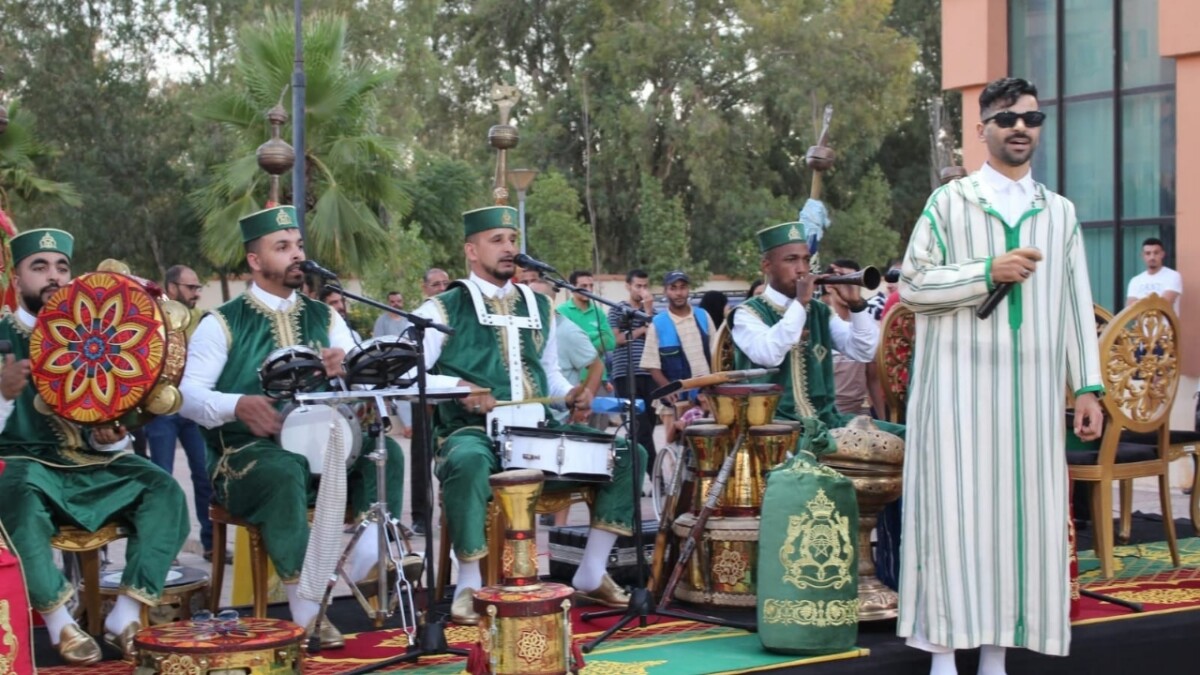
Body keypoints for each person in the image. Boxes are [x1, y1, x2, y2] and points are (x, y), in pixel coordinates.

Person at [896, 77, 1104, 674]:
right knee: (953, 521)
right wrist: (987, 270)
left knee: (1018, 525)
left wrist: (1086, 387)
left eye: (1031, 119)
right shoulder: (949, 203)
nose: (1021, 127)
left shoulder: (1058, 213)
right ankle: (941, 659)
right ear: (982, 127)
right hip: (956, 394)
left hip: (1032, 399)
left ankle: (994, 659)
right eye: (1008, 117)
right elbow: (912, 285)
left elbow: (1073, 303)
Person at [179, 206, 408, 647]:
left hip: (327, 453)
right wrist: (238, 404)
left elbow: (364, 374)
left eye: (298, 245)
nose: (296, 255)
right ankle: (308, 611)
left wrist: (349, 370)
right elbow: (186, 397)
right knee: (285, 471)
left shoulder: (326, 317)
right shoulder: (222, 322)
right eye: (282, 247)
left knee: (387, 453)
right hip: (249, 459)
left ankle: (367, 558)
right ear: (255, 261)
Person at [409, 205, 645, 625]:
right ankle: (467, 583)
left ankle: (591, 570)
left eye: (512, 240)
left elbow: (549, 374)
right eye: (497, 240)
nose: (509, 248)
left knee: (628, 454)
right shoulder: (441, 309)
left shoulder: (539, 306)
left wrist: (570, 394)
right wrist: (459, 388)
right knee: (466, 460)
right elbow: (408, 374)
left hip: (539, 430)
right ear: (470, 250)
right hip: (471, 430)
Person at [0, 229, 188, 664]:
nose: (53, 277)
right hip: (24, 464)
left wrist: (112, 437)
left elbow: (111, 410)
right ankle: (59, 622)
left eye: (62, 267)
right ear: (17, 277)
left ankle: (127, 613)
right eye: (40, 267)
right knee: (18, 493)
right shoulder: (1, 335)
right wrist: (5, 394)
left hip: (87, 464)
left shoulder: (99, 325)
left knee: (163, 489)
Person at [145, 264, 222, 562]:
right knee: (162, 479)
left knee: (205, 475)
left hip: (193, 409)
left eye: (198, 287)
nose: (197, 293)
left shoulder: (205, 319)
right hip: (161, 410)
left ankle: (211, 543)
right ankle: (165, 549)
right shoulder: (150, 315)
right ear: (173, 287)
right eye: (191, 288)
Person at [641, 270, 715, 437]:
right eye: (673, 288)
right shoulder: (658, 323)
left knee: (706, 450)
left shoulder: (703, 316)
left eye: (682, 287)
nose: (678, 293)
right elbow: (652, 365)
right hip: (675, 401)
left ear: (688, 289)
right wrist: (667, 389)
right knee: (675, 451)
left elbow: (716, 353)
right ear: (665, 291)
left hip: (706, 397)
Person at [608, 269, 658, 478]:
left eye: (645, 286)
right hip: (625, 374)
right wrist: (640, 330)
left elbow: (656, 338)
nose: (642, 290)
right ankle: (656, 477)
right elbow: (616, 340)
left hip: (650, 373)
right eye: (638, 286)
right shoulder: (618, 310)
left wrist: (648, 313)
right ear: (628, 286)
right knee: (640, 427)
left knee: (647, 425)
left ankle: (634, 474)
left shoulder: (653, 314)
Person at [1126, 237, 1181, 316]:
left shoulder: (1173, 276)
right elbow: (1130, 311)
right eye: (1148, 253)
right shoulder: (1135, 280)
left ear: (1162, 254)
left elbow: (1163, 305)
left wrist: (1140, 307)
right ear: (1143, 256)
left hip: (1166, 328)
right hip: (1141, 328)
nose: (1152, 257)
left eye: (1156, 253)